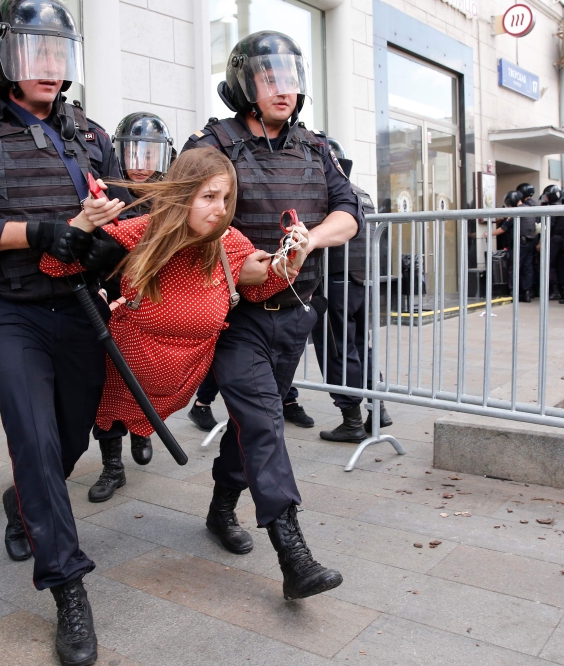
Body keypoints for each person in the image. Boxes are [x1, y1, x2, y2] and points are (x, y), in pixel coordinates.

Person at [0, 2, 121, 663]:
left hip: (80, 307)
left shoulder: (90, 134)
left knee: (66, 446)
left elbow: (123, 220)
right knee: (35, 443)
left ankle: (22, 508)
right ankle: (68, 589)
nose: (49, 64)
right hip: (11, 309)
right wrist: (34, 232)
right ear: (4, 55)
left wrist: (106, 245)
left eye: (58, 51)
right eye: (34, 50)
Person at [181, 30, 360, 600]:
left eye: (289, 76)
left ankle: (220, 506)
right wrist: (236, 265)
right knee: (263, 421)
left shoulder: (315, 145)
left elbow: (349, 210)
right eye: (269, 77)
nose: (283, 88)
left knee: (251, 422)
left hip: (296, 312)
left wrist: (311, 241)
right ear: (244, 84)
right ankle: (292, 551)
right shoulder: (212, 142)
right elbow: (186, 218)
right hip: (237, 313)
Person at [46, 147, 303, 446]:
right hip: (123, 367)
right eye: (209, 196)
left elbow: (257, 289)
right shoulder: (143, 231)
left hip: (182, 378)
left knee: (139, 422)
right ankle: (112, 460)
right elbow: (54, 265)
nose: (221, 209)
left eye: (225, 198)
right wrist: (85, 222)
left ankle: (138, 438)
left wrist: (287, 267)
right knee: (105, 422)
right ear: (183, 194)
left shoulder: (230, 241)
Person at [86, 111, 175, 504]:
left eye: (149, 154)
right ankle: (112, 465)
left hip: (152, 305)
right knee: (106, 384)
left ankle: (142, 428)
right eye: (132, 152)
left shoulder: (174, 197)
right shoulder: (106, 194)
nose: (140, 164)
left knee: (147, 378)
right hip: (110, 300)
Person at [312, 138, 392, 443]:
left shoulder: (328, 198)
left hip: (334, 283)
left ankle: (352, 420)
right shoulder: (361, 193)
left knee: (337, 350)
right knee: (361, 347)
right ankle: (378, 407)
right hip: (363, 282)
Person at [538, 186, 564, 302]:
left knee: (550, 266)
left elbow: (548, 227)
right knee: (561, 267)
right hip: (563, 240)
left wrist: (541, 241)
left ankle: (555, 291)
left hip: (554, 240)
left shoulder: (552, 209)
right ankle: (563, 292)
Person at [487, 191, 519, 296]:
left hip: (515, 245)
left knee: (513, 268)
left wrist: (489, 234)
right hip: (523, 244)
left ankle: (512, 292)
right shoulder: (526, 209)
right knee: (525, 269)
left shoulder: (513, 213)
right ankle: (526, 292)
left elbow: (503, 229)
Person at [514, 182, 538, 303]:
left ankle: (517, 293)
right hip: (531, 240)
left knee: (516, 266)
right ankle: (528, 292)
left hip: (522, 241)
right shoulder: (534, 205)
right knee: (528, 268)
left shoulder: (521, 207)